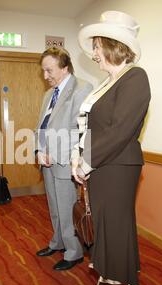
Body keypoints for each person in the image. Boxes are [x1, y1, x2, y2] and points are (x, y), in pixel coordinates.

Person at [72, 11, 151, 285]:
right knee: (103, 227)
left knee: (114, 228)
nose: (93, 53)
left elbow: (119, 131)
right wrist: (76, 156)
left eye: (96, 46)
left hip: (118, 166)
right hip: (102, 165)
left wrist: (86, 161)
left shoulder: (136, 77)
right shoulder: (107, 83)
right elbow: (92, 127)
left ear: (112, 44)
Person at [35, 47, 93, 271]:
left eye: (49, 70)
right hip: (47, 160)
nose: (45, 76)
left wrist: (56, 154)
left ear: (65, 67)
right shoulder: (48, 94)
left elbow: (81, 131)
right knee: (54, 207)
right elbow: (42, 126)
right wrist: (39, 151)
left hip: (66, 161)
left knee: (68, 208)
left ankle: (74, 251)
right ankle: (58, 241)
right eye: (43, 71)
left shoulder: (82, 88)